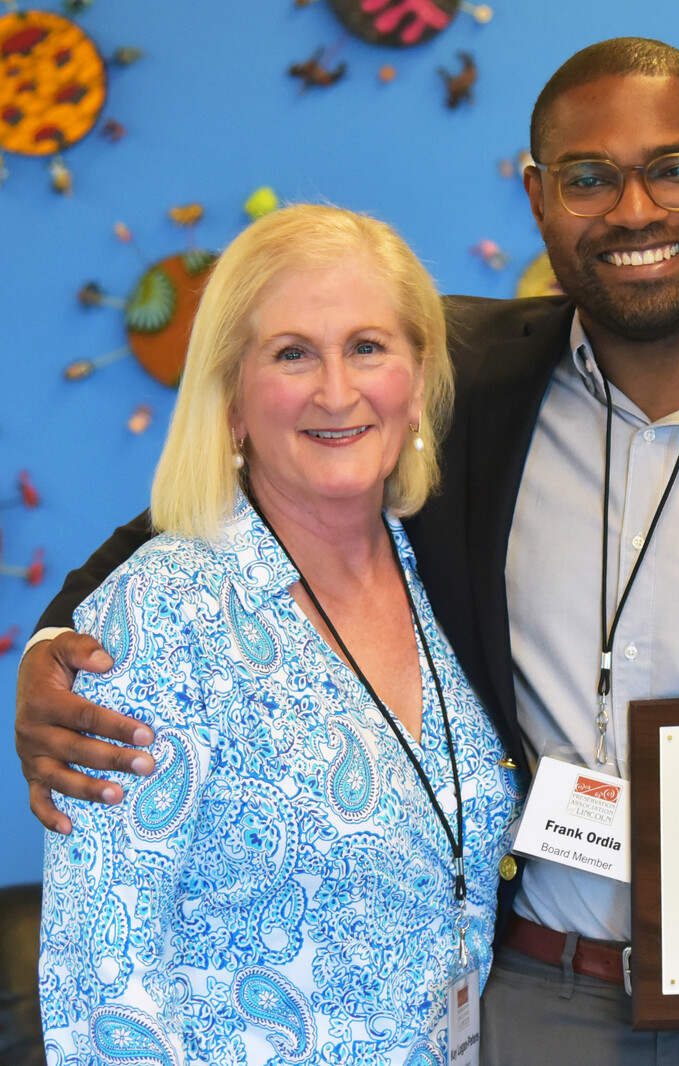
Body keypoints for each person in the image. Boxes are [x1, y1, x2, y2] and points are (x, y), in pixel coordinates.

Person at [16, 38, 679, 1064]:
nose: (633, 212)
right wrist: (63, 644)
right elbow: (228, 503)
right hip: (532, 997)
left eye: (673, 166)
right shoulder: (444, 377)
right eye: (587, 178)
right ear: (537, 197)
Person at [34, 203, 521, 1065]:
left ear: (418, 378)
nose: (337, 390)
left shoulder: (434, 572)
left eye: (368, 347)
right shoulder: (162, 612)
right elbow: (102, 975)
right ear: (229, 397)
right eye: (292, 353)